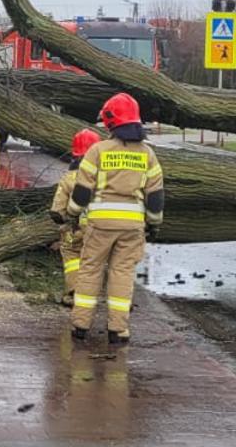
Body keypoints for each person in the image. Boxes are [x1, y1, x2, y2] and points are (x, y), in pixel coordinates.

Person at [69, 93, 165, 344]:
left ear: (111, 122)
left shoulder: (97, 151)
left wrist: (72, 213)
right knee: (122, 273)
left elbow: (81, 191)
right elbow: (155, 197)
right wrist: (154, 223)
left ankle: (80, 325)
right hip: (133, 227)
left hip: (100, 224)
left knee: (90, 270)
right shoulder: (148, 155)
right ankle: (118, 330)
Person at [50, 129, 100, 306]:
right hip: (103, 229)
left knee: (70, 252)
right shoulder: (107, 176)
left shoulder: (69, 178)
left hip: (78, 228)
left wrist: (63, 222)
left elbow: (57, 211)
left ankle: (73, 293)